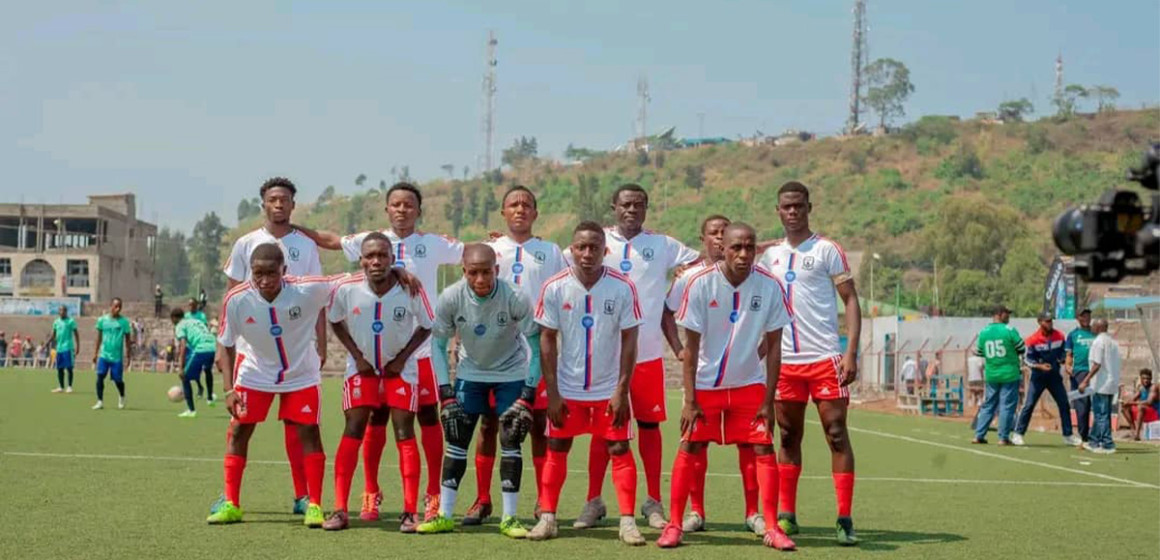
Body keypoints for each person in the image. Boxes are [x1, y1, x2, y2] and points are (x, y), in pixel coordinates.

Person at [297, 182, 463, 523]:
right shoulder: (369, 241)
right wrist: (291, 227)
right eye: (396, 204)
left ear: (418, 210)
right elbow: (329, 241)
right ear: (387, 209)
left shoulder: (432, 243)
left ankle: (431, 496)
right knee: (373, 418)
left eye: (408, 204)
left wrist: (499, 243)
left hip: (420, 355)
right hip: (372, 357)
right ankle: (370, 493)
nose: (402, 209)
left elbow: (473, 253)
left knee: (427, 420)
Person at [566, 184, 699, 531]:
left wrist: (681, 279)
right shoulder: (597, 241)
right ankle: (594, 501)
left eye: (639, 204)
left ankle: (653, 502)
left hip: (648, 355)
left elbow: (706, 259)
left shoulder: (662, 244)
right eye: (625, 204)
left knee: (650, 427)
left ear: (647, 208)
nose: (632, 210)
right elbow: (558, 262)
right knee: (603, 432)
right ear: (614, 207)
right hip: (603, 359)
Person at [657, 223, 796, 550]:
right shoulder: (700, 284)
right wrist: (690, 400)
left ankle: (772, 527)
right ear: (723, 248)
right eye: (736, 247)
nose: (744, 254)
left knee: (763, 449)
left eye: (749, 247)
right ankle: (675, 524)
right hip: (706, 387)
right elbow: (690, 349)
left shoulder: (770, 286)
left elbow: (774, 346)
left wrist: (768, 396)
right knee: (689, 447)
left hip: (749, 386)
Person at [527, 222, 646, 545]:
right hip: (568, 389)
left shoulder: (622, 288)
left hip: (608, 390)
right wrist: (552, 392)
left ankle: (627, 522)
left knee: (619, 448)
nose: (587, 253)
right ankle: (548, 518)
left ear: (605, 250)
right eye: (581, 247)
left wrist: (621, 389)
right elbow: (547, 339)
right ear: (572, 249)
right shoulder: (554, 287)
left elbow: (630, 340)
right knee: (557, 447)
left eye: (594, 247)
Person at [759, 181, 862, 546]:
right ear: (778, 210)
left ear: (809, 207)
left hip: (824, 359)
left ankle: (844, 519)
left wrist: (850, 352)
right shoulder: (767, 256)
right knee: (787, 435)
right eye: (786, 206)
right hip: (785, 362)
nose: (793, 212)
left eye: (799, 206)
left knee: (836, 433)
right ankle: (787, 516)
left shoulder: (827, 250)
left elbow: (850, 300)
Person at [218, 177, 326, 517]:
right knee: (240, 428)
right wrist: (227, 379)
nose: (278, 205)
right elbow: (233, 297)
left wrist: (320, 344)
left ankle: (305, 498)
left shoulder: (306, 245)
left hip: (297, 353)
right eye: (272, 199)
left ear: (293, 205)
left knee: (300, 427)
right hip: (255, 356)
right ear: (263, 204)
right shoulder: (246, 243)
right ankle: (230, 501)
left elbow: (317, 297)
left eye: (285, 200)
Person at [417, 243, 540, 538]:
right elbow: (436, 344)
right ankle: (445, 515)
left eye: (486, 272)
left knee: (511, 439)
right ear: (464, 272)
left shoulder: (515, 297)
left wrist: (528, 393)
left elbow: (536, 346)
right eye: (474, 273)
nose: (481, 280)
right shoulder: (451, 297)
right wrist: (445, 392)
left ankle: (509, 518)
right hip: (470, 374)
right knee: (456, 438)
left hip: (511, 373)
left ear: (496, 270)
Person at [465, 186, 567, 524]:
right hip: (495, 353)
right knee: (489, 425)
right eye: (513, 204)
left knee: (539, 425)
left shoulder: (551, 251)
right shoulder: (491, 250)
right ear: (503, 212)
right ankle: (483, 500)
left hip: (536, 352)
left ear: (536, 213)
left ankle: (543, 501)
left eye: (526, 204)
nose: (520, 209)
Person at [323, 233, 432, 532]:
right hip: (361, 371)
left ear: (392, 259)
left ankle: (409, 512)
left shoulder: (410, 288)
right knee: (354, 429)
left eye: (382, 255)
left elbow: (427, 325)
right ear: (361, 260)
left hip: (401, 372)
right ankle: (340, 509)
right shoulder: (346, 288)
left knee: (403, 432)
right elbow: (334, 319)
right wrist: (357, 356)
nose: (376, 261)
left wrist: (401, 358)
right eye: (370, 256)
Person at [1012, 313, 1079, 446]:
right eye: (1047, 321)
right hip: (1038, 378)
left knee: (1064, 404)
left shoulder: (1059, 336)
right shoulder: (1033, 340)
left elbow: (1063, 352)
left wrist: (1062, 360)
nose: (1050, 323)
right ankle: (1018, 434)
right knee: (1029, 405)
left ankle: (1068, 435)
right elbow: (1027, 359)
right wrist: (1039, 366)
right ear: (1039, 322)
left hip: (1054, 377)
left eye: (1051, 321)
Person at [971, 305, 1025, 446]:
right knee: (1007, 406)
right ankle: (1003, 437)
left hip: (992, 374)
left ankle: (979, 435)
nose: (1008, 317)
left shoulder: (984, 332)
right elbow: (1021, 348)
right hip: (1009, 374)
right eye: (1007, 314)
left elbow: (980, 352)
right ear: (1000, 314)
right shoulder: (1009, 330)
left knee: (988, 405)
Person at [1080, 319, 1120, 454]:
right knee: (1103, 414)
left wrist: (1085, 380)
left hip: (1101, 383)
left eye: (1093, 325)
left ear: (1098, 327)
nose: (1091, 327)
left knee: (1101, 414)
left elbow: (1096, 364)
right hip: (1111, 382)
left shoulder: (1098, 342)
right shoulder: (1113, 342)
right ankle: (1093, 441)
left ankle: (1107, 443)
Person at [171, 307, 217, 417]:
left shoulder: (180, 326)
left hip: (202, 348)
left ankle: (191, 410)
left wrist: (181, 367)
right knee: (207, 369)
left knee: (184, 377)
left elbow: (183, 346)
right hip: (214, 346)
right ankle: (210, 397)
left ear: (173, 318)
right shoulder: (195, 321)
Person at [92, 298, 132, 410]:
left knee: (118, 380)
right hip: (104, 354)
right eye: (115, 306)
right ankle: (100, 401)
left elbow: (128, 340)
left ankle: (122, 396)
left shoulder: (124, 322)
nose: (117, 309)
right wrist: (95, 353)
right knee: (100, 376)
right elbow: (98, 338)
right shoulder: (102, 320)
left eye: (119, 306)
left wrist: (128, 355)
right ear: (111, 306)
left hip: (116, 357)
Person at [1065, 309, 1096, 444]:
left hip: (1096, 371)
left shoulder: (1096, 333)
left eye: (1088, 315)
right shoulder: (1073, 335)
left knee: (1098, 404)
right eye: (1083, 315)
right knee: (1082, 405)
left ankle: (1098, 435)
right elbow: (1069, 355)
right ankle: (1083, 435)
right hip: (1080, 372)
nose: (1086, 318)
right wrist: (1067, 366)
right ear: (1078, 318)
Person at [48, 305, 80, 393]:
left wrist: (78, 346)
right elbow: (53, 335)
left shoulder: (71, 321)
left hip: (68, 347)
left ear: (66, 312)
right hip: (59, 348)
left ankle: (69, 386)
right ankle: (61, 387)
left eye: (64, 310)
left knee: (69, 367)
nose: (62, 312)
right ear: (58, 312)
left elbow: (76, 334)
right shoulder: (56, 322)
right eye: (60, 310)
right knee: (59, 368)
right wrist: (46, 344)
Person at [185, 298, 211, 399]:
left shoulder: (201, 316)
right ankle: (199, 386)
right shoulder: (186, 316)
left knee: (199, 368)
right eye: (189, 305)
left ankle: (202, 389)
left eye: (192, 304)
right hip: (189, 345)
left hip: (199, 346)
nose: (190, 306)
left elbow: (204, 328)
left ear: (196, 305)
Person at [1123, 369, 1159, 440]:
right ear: (1141, 379)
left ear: (1151, 379)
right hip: (1144, 412)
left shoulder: (1153, 387)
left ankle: (1137, 434)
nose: (1146, 380)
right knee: (1125, 407)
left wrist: (1132, 403)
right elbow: (1132, 400)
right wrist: (1126, 402)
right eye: (1144, 378)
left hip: (1155, 413)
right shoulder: (1141, 388)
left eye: (1148, 378)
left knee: (1141, 407)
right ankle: (1133, 430)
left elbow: (1149, 402)